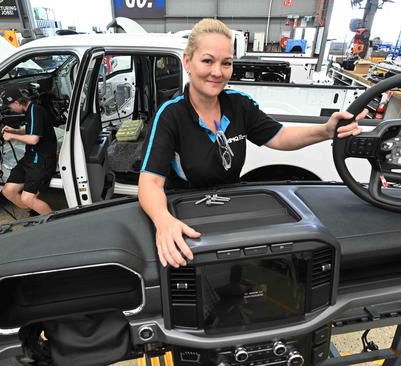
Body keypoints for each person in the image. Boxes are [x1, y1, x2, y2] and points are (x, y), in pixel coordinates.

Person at [138, 19, 367, 268]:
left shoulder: (240, 104)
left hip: (231, 206)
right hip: (188, 210)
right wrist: (163, 222)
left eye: (226, 63)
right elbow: (150, 182)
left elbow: (279, 137)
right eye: (207, 61)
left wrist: (325, 131)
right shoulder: (171, 115)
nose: (217, 72)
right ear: (187, 62)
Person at [0, 90, 57, 216]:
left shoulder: (35, 110)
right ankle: (35, 212)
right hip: (30, 158)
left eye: (10, 107)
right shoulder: (31, 110)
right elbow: (33, 128)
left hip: (42, 160)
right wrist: (15, 131)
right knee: (8, 191)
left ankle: (55, 221)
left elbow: (33, 139)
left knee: (27, 198)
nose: (11, 110)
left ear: (16, 102)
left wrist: (11, 136)